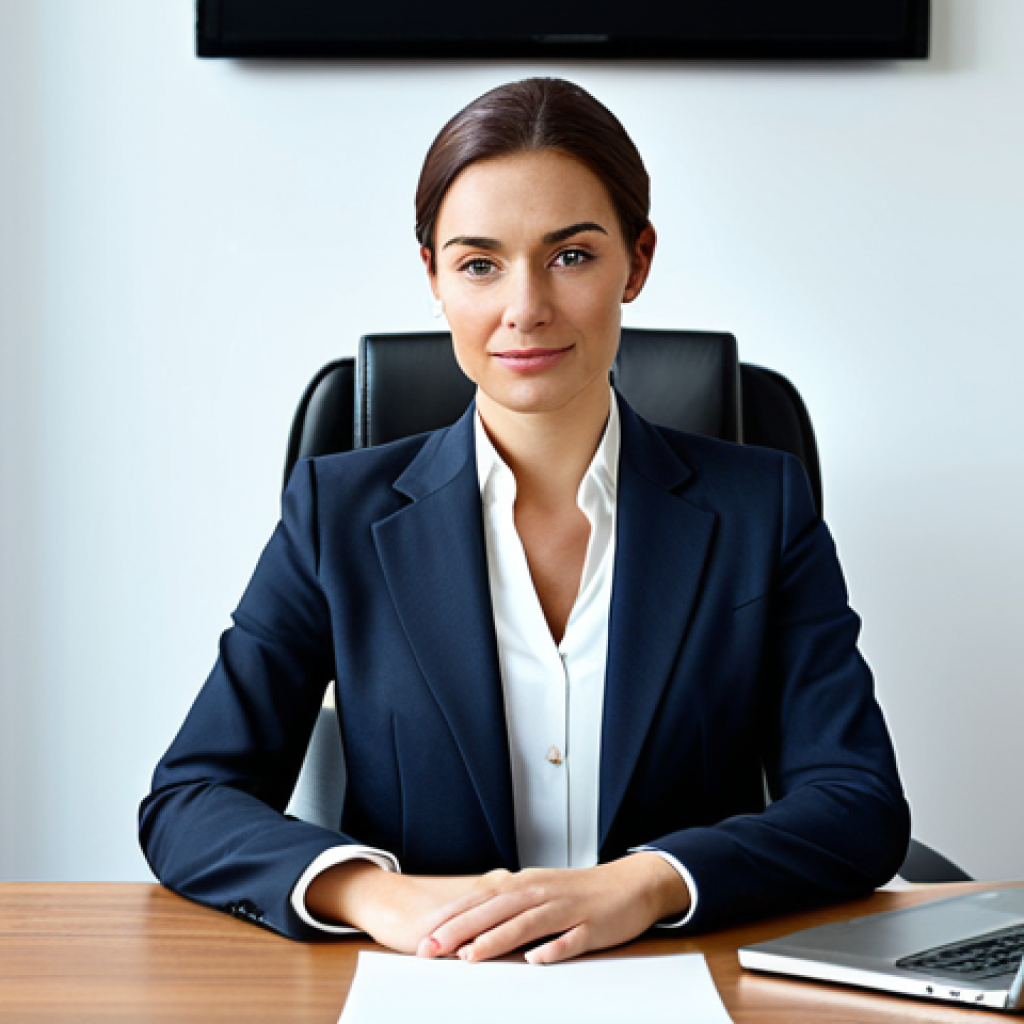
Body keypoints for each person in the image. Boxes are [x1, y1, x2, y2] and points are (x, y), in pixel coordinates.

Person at [139, 77, 909, 966]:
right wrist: (375, 894)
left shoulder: (759, 509)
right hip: (426, 984)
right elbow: (191, 797)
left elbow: (857, 802)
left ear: (638, 260)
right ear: (431, 275)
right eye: (478, 263)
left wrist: (649, 881)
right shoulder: (336, 514)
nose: (525, 306)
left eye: (572, 256)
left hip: (678, 979)